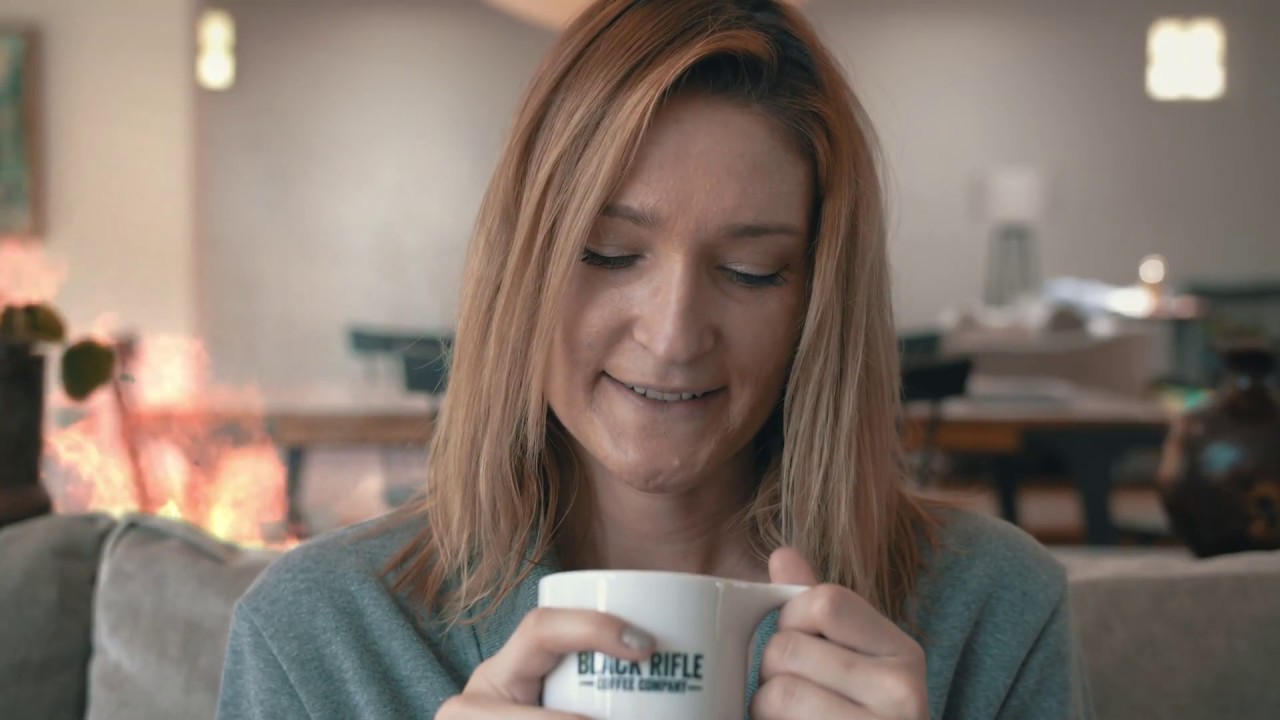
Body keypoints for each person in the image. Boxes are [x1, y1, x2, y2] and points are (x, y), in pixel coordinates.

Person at [217, 1, 1093, 718]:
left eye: (751, 271)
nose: (674, 335)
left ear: (816, 305)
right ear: (521, 268)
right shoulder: (319, 636)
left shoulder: (989, 610)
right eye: (607, 253)